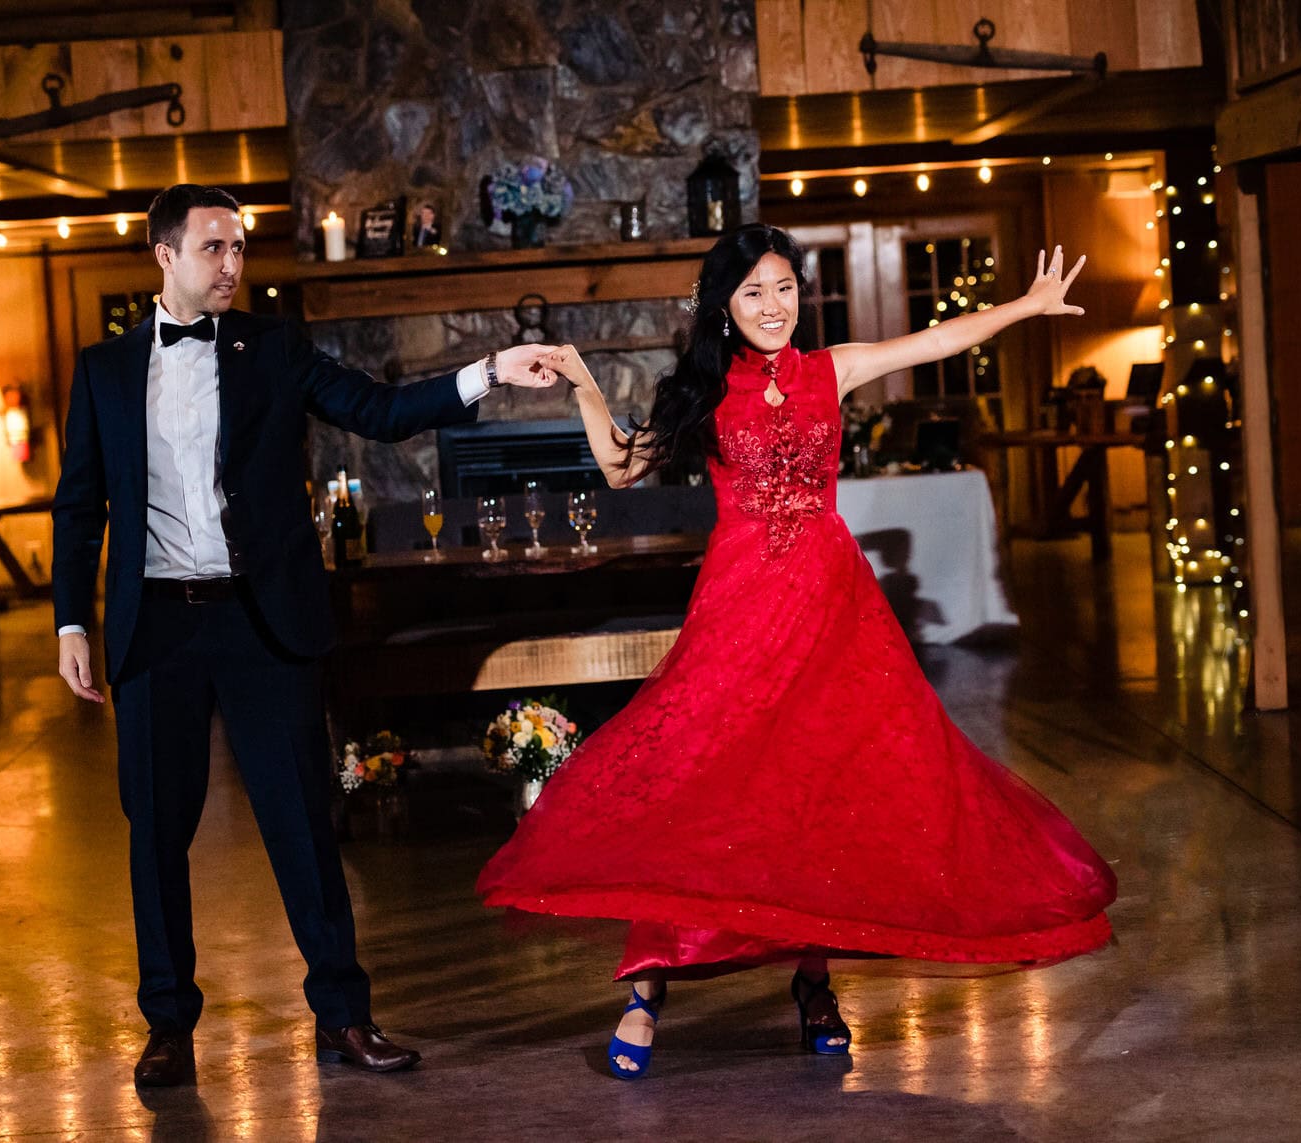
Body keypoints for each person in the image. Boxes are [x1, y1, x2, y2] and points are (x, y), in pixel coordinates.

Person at [476, 223, 1117, 1080]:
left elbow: (934, 340)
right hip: (739, 610)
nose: (773, 306)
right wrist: (588, 385)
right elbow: (622, 466)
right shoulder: (704, 392)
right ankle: (648, 984)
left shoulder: (830, 370)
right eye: (753, 292)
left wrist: (1026, 307)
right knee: (701, 788)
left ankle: (815, 982)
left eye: (783, 288)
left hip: (831, 611)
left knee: (819, 793)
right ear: (725, 306)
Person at [52, 183, 554, 1086]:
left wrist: (488, 371)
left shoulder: (273, 347)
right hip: (156, 628)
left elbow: (380, 410)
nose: (232, 264)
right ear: (165, 255)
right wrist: (70, 620)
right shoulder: (104, 370)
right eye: (213, 247)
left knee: (302, 828)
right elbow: (79, 505)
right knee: (156, 836)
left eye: (239, 247)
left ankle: (344, 1017)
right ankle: (168, 1024)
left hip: (263, 622)